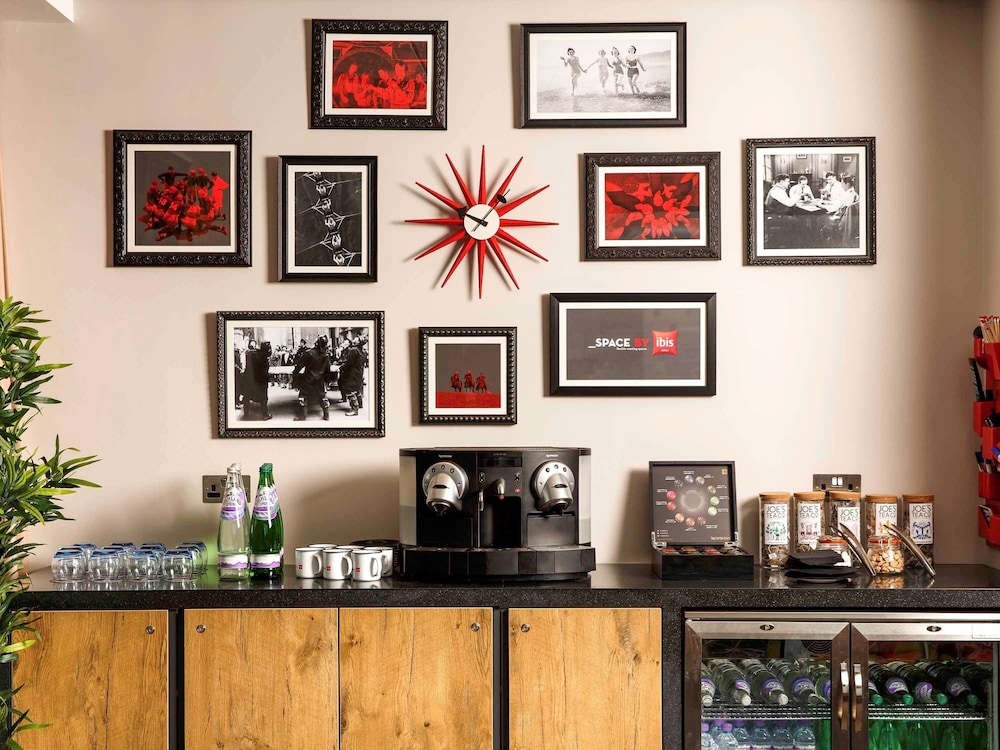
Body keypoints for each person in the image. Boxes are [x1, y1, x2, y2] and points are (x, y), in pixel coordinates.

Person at [292, 335, 332, 421]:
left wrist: (295, 374)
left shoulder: (309, 353)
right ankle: (326, 415)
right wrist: (327, 381)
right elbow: (327, 370)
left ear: (316, 343)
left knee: (303, 396)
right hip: (319, 379)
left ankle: (303, 416)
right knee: (322, 396)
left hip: (308, 378)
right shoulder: (325, 355)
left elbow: (299, 365)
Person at [242, 341, 272, 421]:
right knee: (263, 398)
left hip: (249, 379)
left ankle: (245, 414)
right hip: (260, 380)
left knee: (247, 397)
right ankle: (265, 415)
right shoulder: (263, 357)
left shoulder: (251, 354)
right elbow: (264, 371)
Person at [337, 340, 366, 417]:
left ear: (357, 342)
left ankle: (354, 409)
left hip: (352, 373)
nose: (354, 340)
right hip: (358, 372)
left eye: (356, 339)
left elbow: (349, 362)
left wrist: (341, 367)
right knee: (357, 389)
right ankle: (360, 404)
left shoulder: (353, 350)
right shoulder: (360, 350)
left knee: (350, 390)